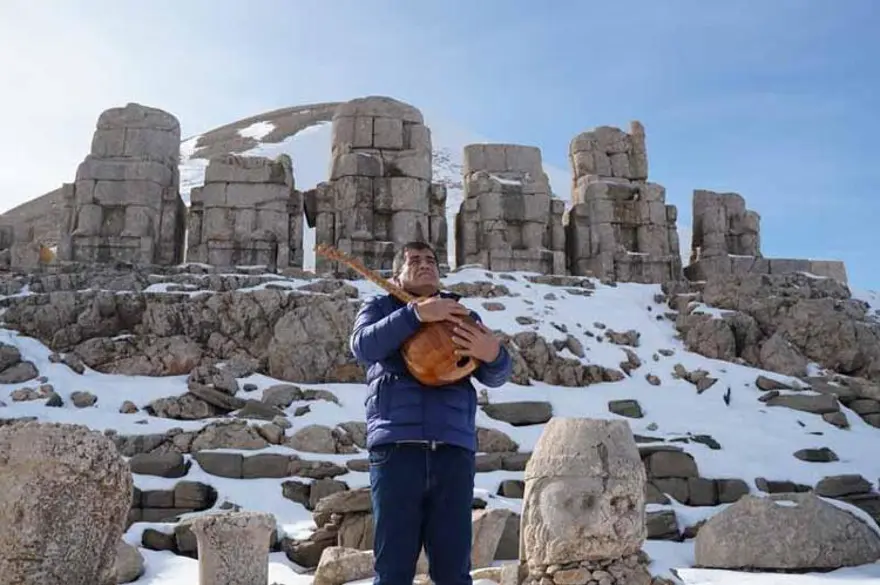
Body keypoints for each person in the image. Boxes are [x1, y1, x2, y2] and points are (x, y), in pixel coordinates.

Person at [349, 241, 513, 585]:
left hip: (452, 448)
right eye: (414, 260)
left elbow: (494, 375)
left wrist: (494, 354)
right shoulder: (381, 307)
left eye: (431, 260)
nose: (425, 265)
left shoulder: (462, 314)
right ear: (397, 275)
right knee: (393, 569)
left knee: (453, 571)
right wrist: (416, 314)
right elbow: (363, 346)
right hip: (397, 447)